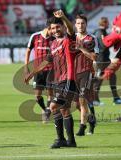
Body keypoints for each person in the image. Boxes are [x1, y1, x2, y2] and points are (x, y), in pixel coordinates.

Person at [25, 10, 77, 148]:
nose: (55, 30)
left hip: (68, 80)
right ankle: (71, 141)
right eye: (53, 28)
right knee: (64, 110)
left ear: (63, 27)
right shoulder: (53, 44)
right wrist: (31, 73)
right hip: (58, 81)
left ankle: (60, 139)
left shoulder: (68, 39)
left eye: (58, 27)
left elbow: (72, 29)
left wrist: (64, 17)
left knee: (53, 107)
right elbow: (45, 62)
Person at [74, 14, 98, 136]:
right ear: (75, 25)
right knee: (78, 103)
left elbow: (94, 57)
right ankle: (92, 120)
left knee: (82, 100)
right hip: (73, 74)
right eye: (78, 23)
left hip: (86, 72)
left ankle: (82, 127)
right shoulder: (71, 38)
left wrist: (82, 49)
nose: (80, 25)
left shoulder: (91, 38)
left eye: (82, 23)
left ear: (86, 24)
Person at [24, 25, 54, 122]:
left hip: (51, 69)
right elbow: (28, 50)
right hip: (38, 70)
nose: (54, 32)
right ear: (48, 28)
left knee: (50, 93)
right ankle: (45, 109)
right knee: (37, 96)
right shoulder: (35, 36)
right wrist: (26, 67)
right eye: (52, 30)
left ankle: (48, 111)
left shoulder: (54, 39)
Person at [93, 17, 121, 106]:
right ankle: (95, 100)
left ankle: (115, 98)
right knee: (100, 80)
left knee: (111, 77)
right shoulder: (100, 32)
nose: (108, 24)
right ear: (104, 23)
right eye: (107, 23)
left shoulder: (98, 32)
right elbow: (104, 45)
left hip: (103, 59)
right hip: (102, 60)